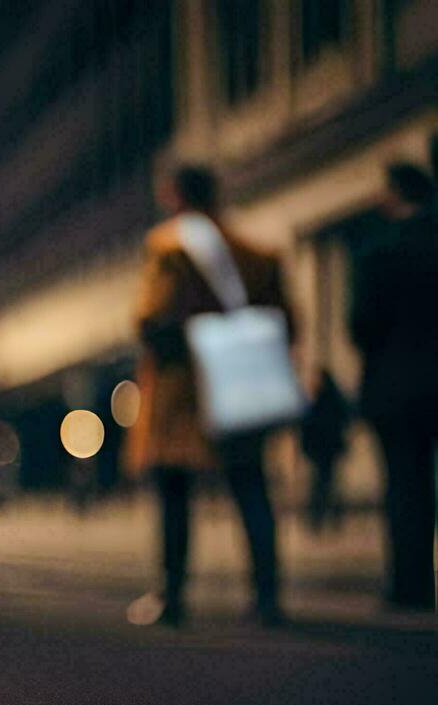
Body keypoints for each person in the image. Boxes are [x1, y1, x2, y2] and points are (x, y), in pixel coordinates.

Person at [123, 165, 295, 627]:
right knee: (250, 487)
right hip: (240, 387)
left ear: (173, 194)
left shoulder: (169, 247)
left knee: (175, 491)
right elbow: (287, 323)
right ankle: (267, 596)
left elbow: (151, 318)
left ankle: (172, 596)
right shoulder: (255, 254)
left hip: (183, 391)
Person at [349, 163, 438, 612]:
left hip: (397, 387)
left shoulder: (380, 253)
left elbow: (362, 326)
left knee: (405, 487)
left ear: (397, 193)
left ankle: (411, 586)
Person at [299, 369, 350, 533]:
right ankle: (327, 519)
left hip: (324, 450)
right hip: (327, 450)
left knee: (323, 486)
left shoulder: (321, 403)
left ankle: (321, 519)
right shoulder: (330, 402)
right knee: (327, 485)